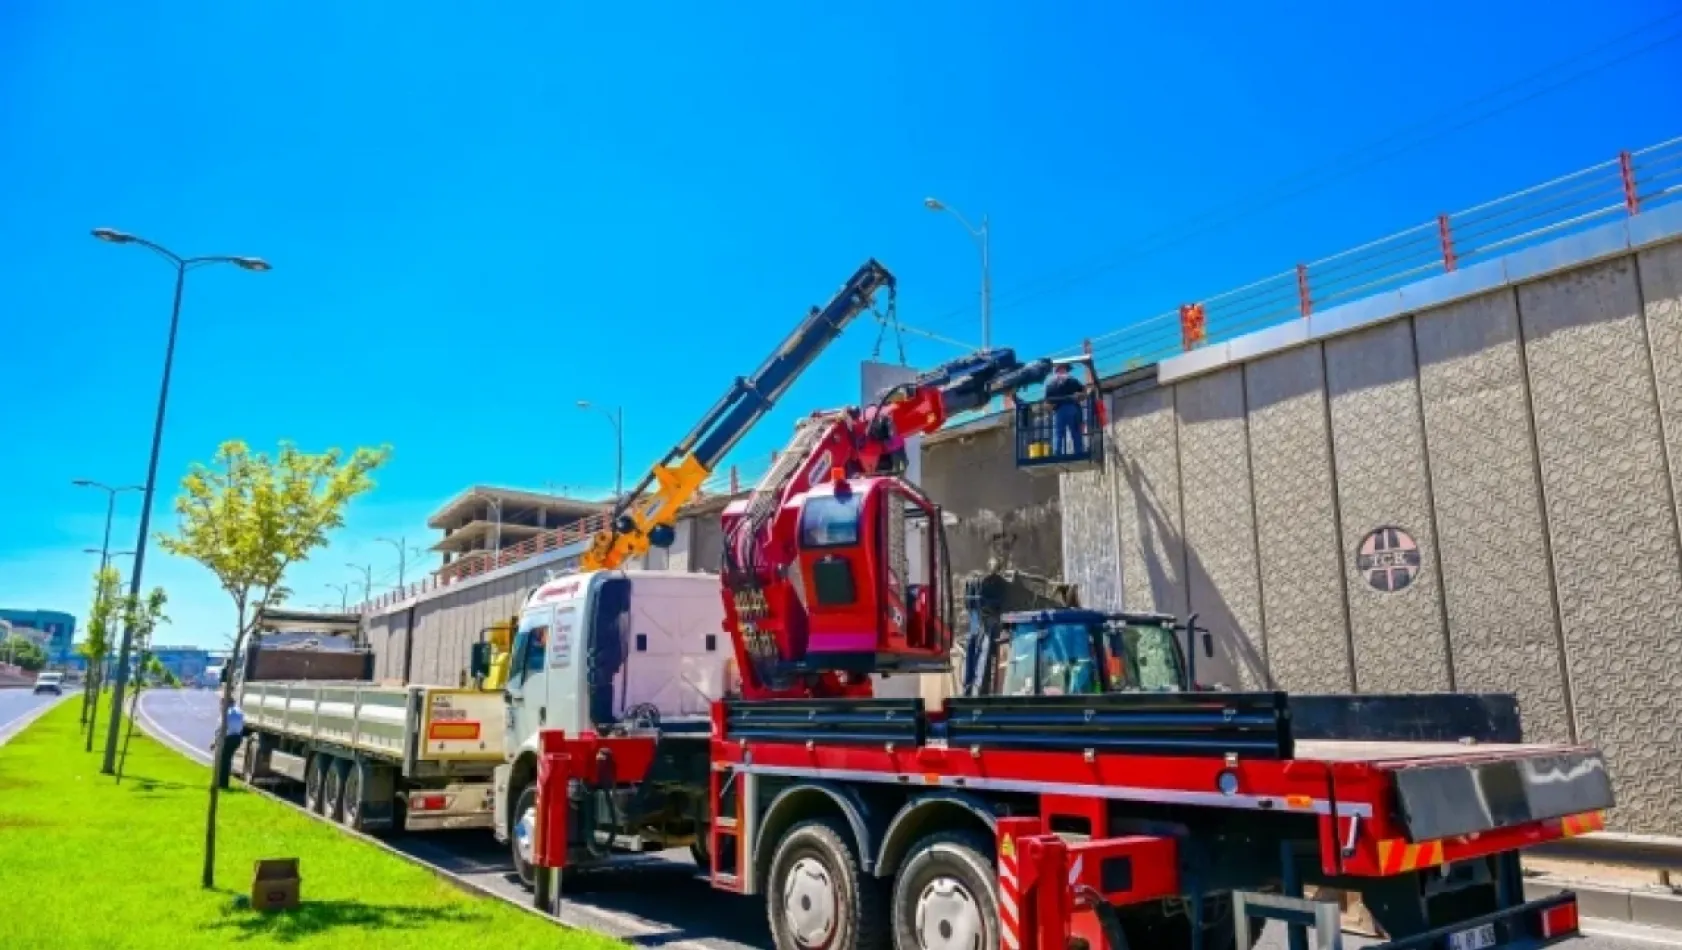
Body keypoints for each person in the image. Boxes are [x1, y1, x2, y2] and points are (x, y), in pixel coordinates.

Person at [1043, 363, 1086, 457]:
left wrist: (1051, 405)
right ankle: (1079, 452)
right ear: (1064, 369)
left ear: (1056, 370)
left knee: (1058, 433)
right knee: (1076, 432)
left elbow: (1047, 399)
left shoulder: (1051, 382)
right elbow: (1082, 392)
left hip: (1059, 409)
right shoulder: (1073, 380)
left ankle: (1057, 453)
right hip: (1072, 408)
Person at [212, 700, 245, 789]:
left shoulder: (226, 712)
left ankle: (221, 783)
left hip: (228, 738)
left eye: (221, 704)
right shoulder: (239, 711)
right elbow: (242, 724)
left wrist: (215, 742)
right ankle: (224, 782)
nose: (220, 707)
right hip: (237, 737)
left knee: (222, 760)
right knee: (227, 760)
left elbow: (221, 728)